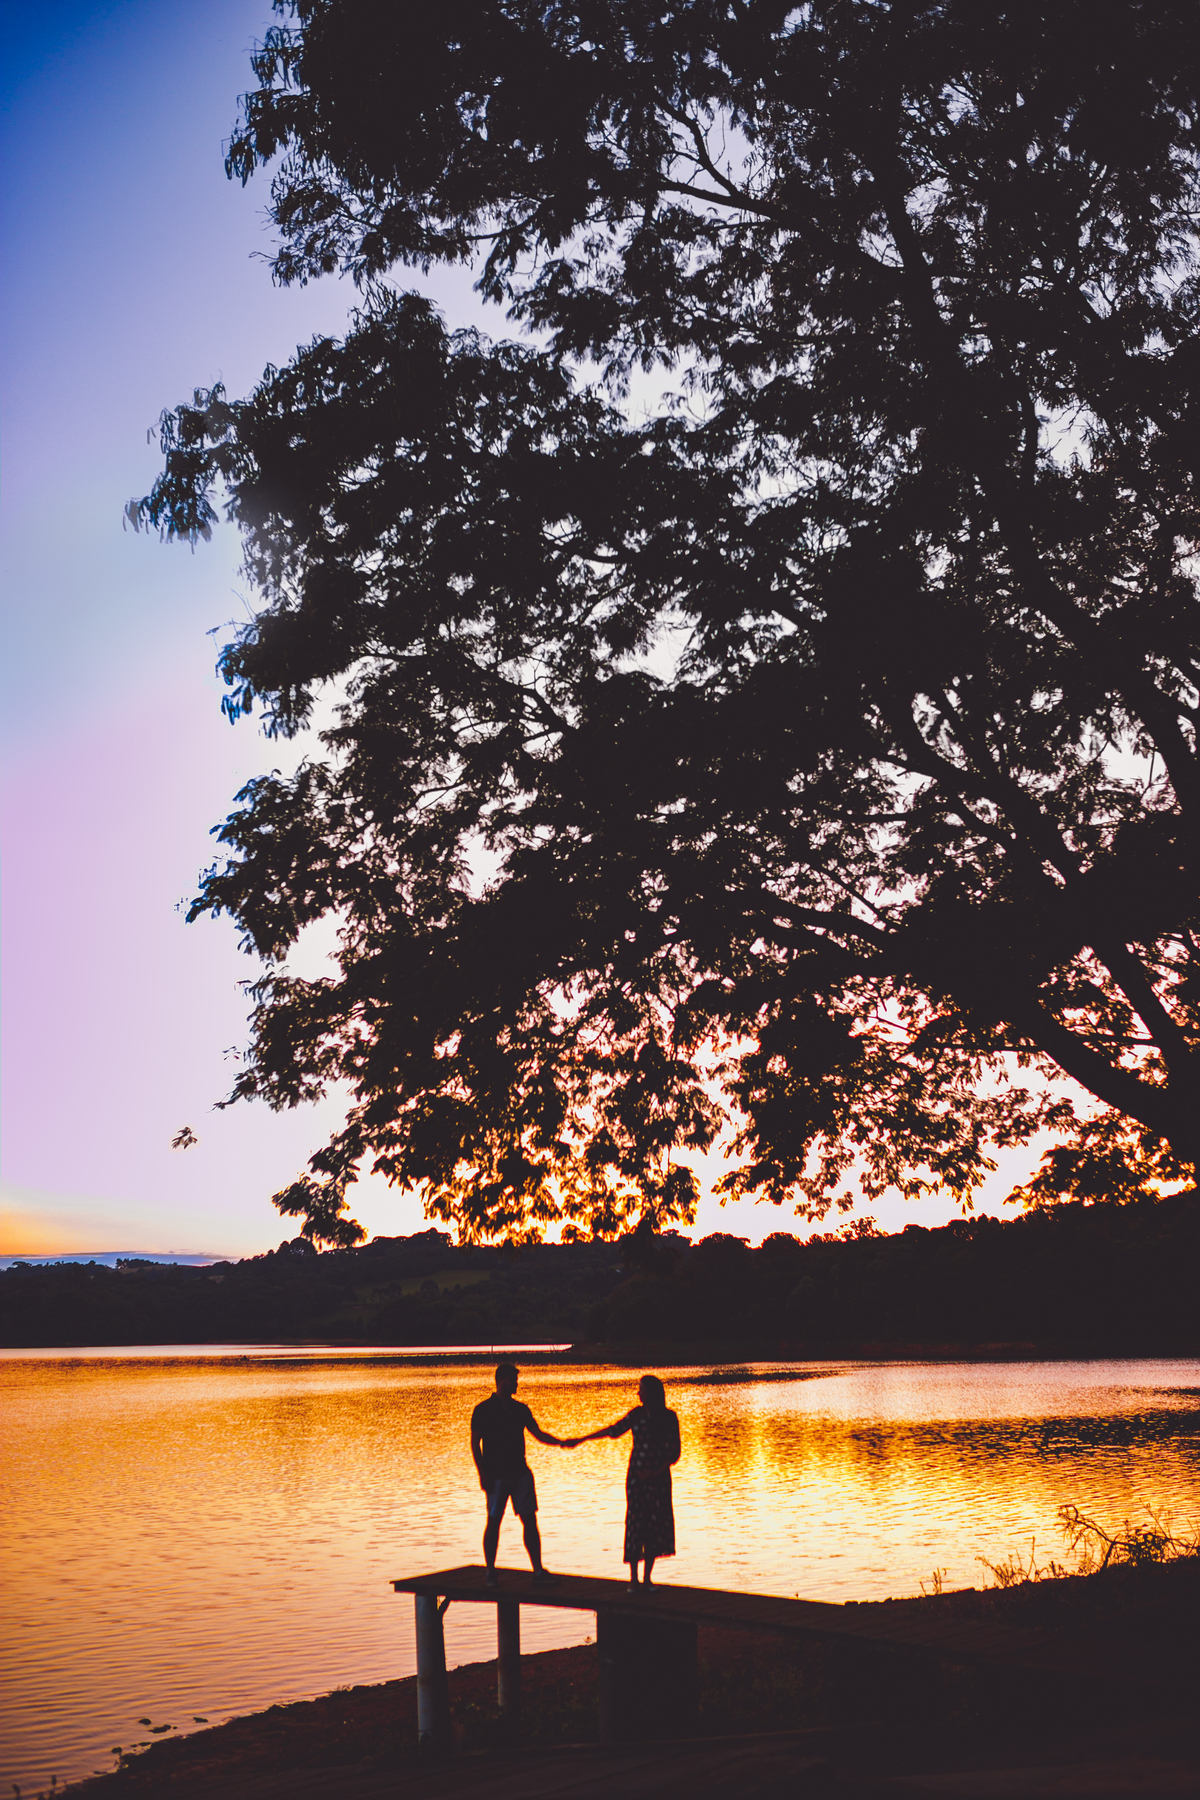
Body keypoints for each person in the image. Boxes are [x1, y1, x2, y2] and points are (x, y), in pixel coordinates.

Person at [566, 1374, 681, 1588]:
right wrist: (581, 1439)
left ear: (651, 1393)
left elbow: (674, 1453)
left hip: (659, 1482)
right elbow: (613, 1431)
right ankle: (634, 1579)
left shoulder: (668, 1417)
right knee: (636, 1525)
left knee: (654, 1525)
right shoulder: (636, 1415)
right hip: (636, 1480)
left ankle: (647, 1579)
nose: (638, 1393)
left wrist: (655, 1473)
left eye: (642, 1389)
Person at [470, 1361, 566, 1586]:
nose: (517, 1384)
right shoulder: (483, 1410)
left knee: (530, 1520)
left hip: (520, 1473)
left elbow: (538, 1434)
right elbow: (475, 1444)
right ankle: (490, 1571)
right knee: (494, 1521)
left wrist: (561, 1443)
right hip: (496, 1476)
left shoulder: (520, 1409)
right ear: (503, 1380)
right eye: (514, 1380)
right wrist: (482, 1473)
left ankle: (538, 1571)